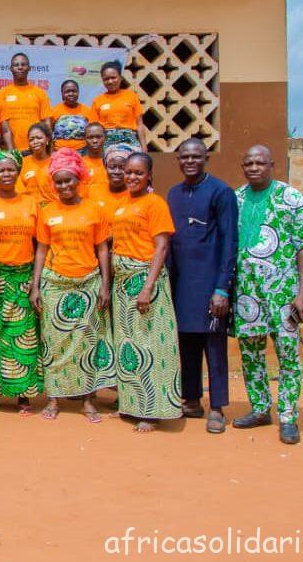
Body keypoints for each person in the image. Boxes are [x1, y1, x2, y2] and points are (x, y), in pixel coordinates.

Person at [232, 145, 303, 445]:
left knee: (287, 353)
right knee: (250, 354)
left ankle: (288, 416)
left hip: (282, 293)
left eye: (260, 162)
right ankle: (260, 408)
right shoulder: (236, 198)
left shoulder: (290, 197)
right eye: (248, 162)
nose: (253, 167)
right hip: (246, 293)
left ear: (272, 164)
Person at [29, 148, 114, 422]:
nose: (64, 186)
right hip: (54, 282)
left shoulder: (94, 210)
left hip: (88, 282)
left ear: (79, 180)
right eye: (59, 181)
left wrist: (104, 285)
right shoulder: (47, 212)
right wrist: (36, 286)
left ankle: (89, 400)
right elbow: (41, 250)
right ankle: (53, 399)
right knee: (54, 343)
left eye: (69, 180)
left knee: (88, 343)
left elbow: (102, 249)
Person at [166, 137, 237, 434]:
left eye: (196, 156)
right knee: (187, 345)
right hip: (182, 283)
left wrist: (222, 288)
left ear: (206, 157)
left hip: (210, 283)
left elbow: (230, 242)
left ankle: (217, 407)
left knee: (214, 346)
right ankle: (192, 399)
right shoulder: (173, 194)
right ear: (178, 160)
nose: (190, 161)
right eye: (184, 157)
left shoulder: (221, 192)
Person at [110, 152, 182, 432]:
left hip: (144, 280)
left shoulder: (155, 203)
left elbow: (161, 246)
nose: (131, 177)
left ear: (149, 175)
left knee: (151, 345)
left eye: (138, 173)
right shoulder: (121, 204)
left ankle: (152, 410)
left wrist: (148, 286)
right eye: (128, 172)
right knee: (128, 344)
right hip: (122, 284)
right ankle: (130, 404)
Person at [0, 150, 40, 414]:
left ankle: (23, 397)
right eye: (1, 170)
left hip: (23, 277)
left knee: (23, 336)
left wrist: (36, 283)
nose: (6, 174)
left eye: (10, 169)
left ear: (17, 172)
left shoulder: (31, 203)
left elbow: (40, 245)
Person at [0, 53, 51, 152]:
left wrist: (47, 147)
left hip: (36, 148)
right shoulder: (2, 94)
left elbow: (46, 122)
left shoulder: (40, 93)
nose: (20, 67)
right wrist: (10, 150)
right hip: (11, 150)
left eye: (23, 64)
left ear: (29, 68)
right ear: (11, 68)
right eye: (16, 65)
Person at [92, 61, 147, 150]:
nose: (110, 81)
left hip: (130, 142)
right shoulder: (97, 101)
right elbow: (94, 129)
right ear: (102, 80)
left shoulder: (131, 96)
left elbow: (139, 124)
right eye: (106, 79)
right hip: (106, 144)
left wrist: (144, 147)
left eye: (113, 77)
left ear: (121, 78)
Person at [47, 80, 96, 151]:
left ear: (78, 92)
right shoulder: (54, 111)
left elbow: (92, 134)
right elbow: (49, 134)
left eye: (74, 91)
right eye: (67, 91)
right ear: (62, 94)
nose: (71, 94)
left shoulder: (87, 111)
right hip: (60, 152)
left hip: (82, 152)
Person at [17, 122, 57, 207]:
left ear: (47, 139)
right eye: (31, 139)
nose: (35, 142)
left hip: (54, 208)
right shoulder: (22, 163)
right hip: (31, 209)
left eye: (39, 138)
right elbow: (20, 191)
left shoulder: (57, 161)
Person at [90, 143, 134, 220]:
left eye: (122, 167)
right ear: (105, 167)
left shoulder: (137, 194)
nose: (116, 172)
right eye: (112, 167)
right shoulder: (92, 192)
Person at [81, 122, 108, 190]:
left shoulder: (112, 163)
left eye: (98, 137)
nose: (95, 140)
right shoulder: (80, 164)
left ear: (105, 137)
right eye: (90, 137)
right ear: (84, 139)